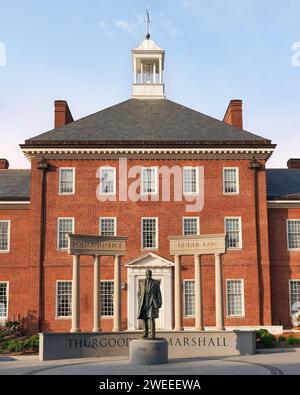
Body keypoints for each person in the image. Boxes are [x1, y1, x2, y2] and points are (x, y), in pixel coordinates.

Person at [137, 269, 162, 339]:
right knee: (145, 319)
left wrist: (159, 302)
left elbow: (158, 293)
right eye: (147, 274)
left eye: (149, 274)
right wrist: (140, 301)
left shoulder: (155, 283)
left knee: (152, 318)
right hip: (144, 303)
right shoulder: (141, 283)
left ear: (151, 275)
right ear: (145, 275)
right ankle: (145, 333)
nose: (148, 276)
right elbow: (139, 293)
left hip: (152, 302)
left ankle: (153, 333)